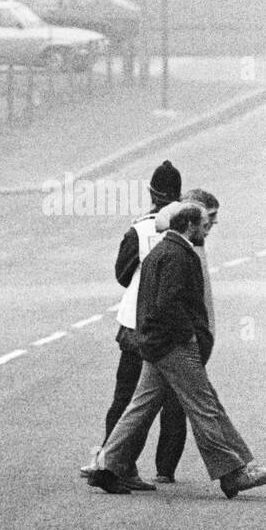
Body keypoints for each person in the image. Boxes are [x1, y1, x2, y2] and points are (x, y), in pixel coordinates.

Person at [89, 202, 266, 498]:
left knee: (141, 406)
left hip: (155, 344)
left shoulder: (161, 251)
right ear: (190, 225)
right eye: (204, 224)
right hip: (173, 345)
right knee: (205, 405)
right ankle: (233, 473)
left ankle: (107, 466)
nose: (208, 229)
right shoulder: (179, 255)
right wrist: (189, 337)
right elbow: (168, 303)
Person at [79, 161, 186, 488]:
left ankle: (109, 460)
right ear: (179, 196)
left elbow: (122, 275)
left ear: (151, 194)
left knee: (125, 395)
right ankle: (162, 467)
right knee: (173, 397)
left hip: (134, 325)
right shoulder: (185, 230)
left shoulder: (138, 230)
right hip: (170, 329)